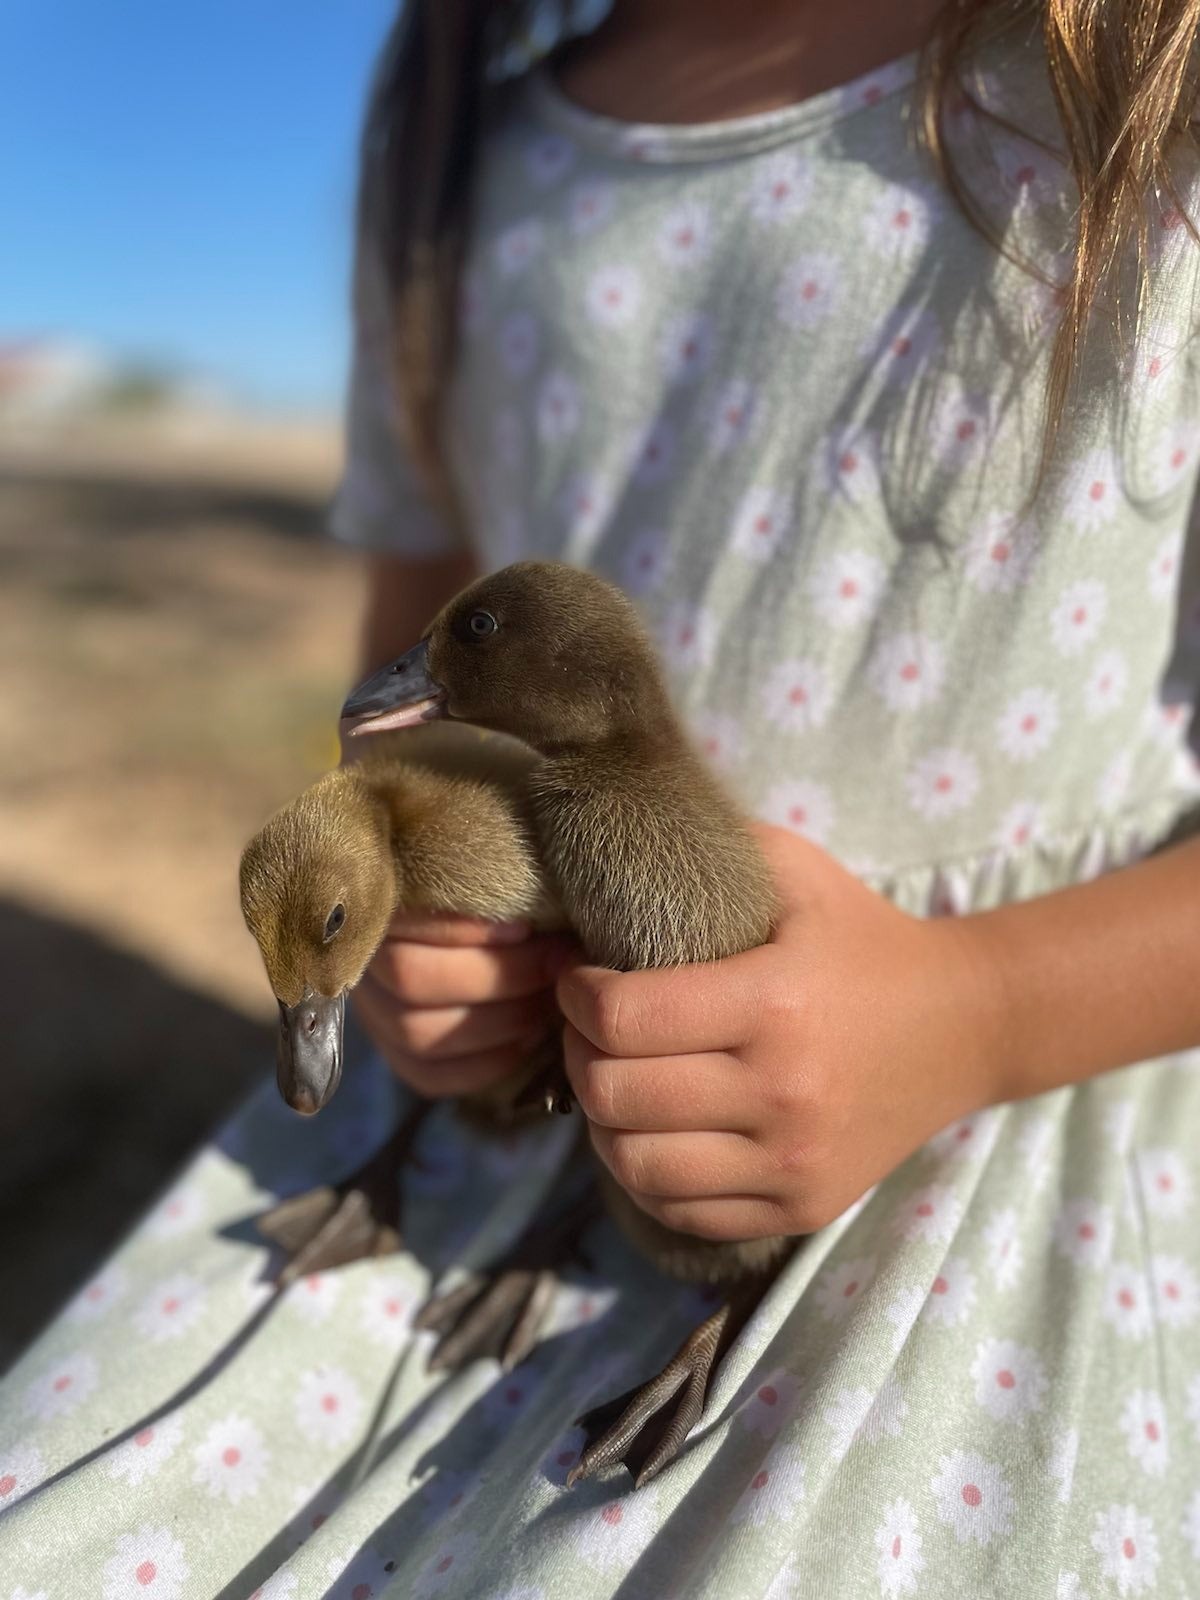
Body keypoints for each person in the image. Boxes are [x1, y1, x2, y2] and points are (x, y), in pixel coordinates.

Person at [5, 2, 1200, 1594]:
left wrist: (981, 1011)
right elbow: (401, 702)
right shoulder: (464, 158)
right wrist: (422, 957)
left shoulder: (1150, 95)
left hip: (1005, 1132)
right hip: (496, 1116)